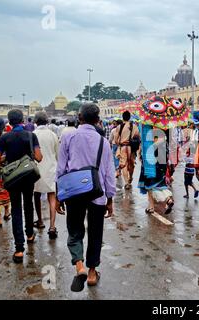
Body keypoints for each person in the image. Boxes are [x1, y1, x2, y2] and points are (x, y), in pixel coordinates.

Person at [56, 103, 115, 292]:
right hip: (96, 193)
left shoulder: (68, 136)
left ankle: (79, 265)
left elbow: (61, 168)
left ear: (79, 117)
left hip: (74, 192)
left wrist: (59, 195)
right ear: (98, 120)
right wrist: (110, 198)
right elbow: (109, 173)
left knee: (75, 230)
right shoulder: (103, 142)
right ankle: (91, 273)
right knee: (96, 232)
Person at [0, 110, 43, 263]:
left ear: (9, 122)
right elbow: (39, 158)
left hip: (13, 178)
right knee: (28, 205)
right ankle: (29, 234)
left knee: (16, 209)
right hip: (28, 176)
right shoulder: (30, 135)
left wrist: (8, 158)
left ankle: (19, 249)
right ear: (22, 120)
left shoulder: (4, 138)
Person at [33, 112, 60, 239]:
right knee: (52, 196)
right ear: (47, 121)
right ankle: (52, 226)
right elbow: (57, 154)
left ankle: (40, 221)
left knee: (36, 194)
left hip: (36, 169)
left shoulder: (32, 134)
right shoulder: (53, 135)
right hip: (51, 168)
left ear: (36, 121)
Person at [138, 127, 174, 215]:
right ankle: (168, 200)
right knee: (161, 185)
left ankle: (151, 207)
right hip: (162, 167)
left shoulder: (151, 133)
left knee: (150, 186)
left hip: (151, 166)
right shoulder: (165, 139)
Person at [115, 111, 140, 190]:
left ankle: (126, 183)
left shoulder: (119, 127)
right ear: (129, 117)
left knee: (124, 165)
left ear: (122, 117)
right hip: (132, 148)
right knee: (131, 164)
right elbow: (138, 138)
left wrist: (120, 143)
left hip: (123, 147)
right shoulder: (134, 126)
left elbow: (116, 140)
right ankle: (130, 178)